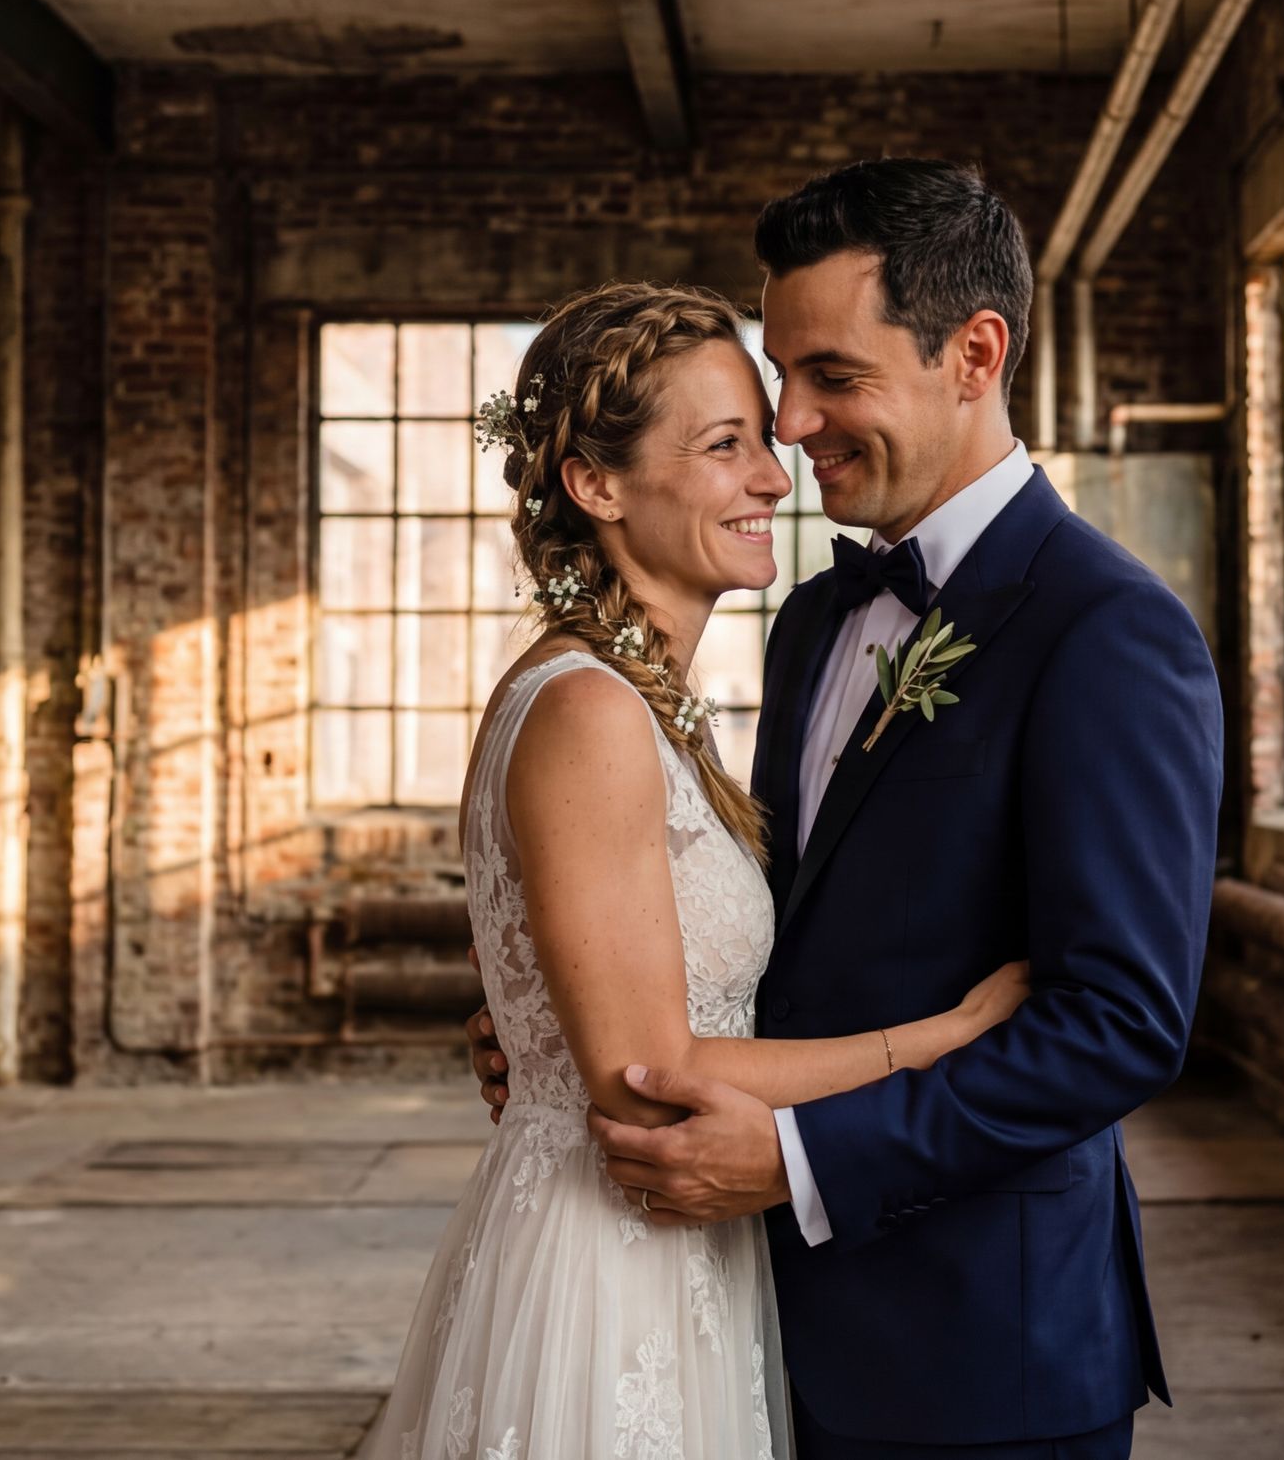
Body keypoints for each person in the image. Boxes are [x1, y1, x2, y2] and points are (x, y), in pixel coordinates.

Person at [466, 158, 1225, 1459]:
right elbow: (779, 931)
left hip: (982, 1348)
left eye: (833, 376)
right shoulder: (812, 618)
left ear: (974, 354)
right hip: (752, 1315)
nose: (793, 424)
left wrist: (806, 1160)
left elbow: (1121, 1024)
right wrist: (570, 1012)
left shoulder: (1109, 630)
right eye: (778, 382)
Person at [362, 280, 1032, 1460]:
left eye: (761, 440)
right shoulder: (589, 711)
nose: (776, 476)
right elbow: (649, 1074)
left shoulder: (649, 704)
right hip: (610, 1266)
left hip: (687, 1252)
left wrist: (535, 1025)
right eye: (725, 446)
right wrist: (943, 1040)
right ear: (597, 484)